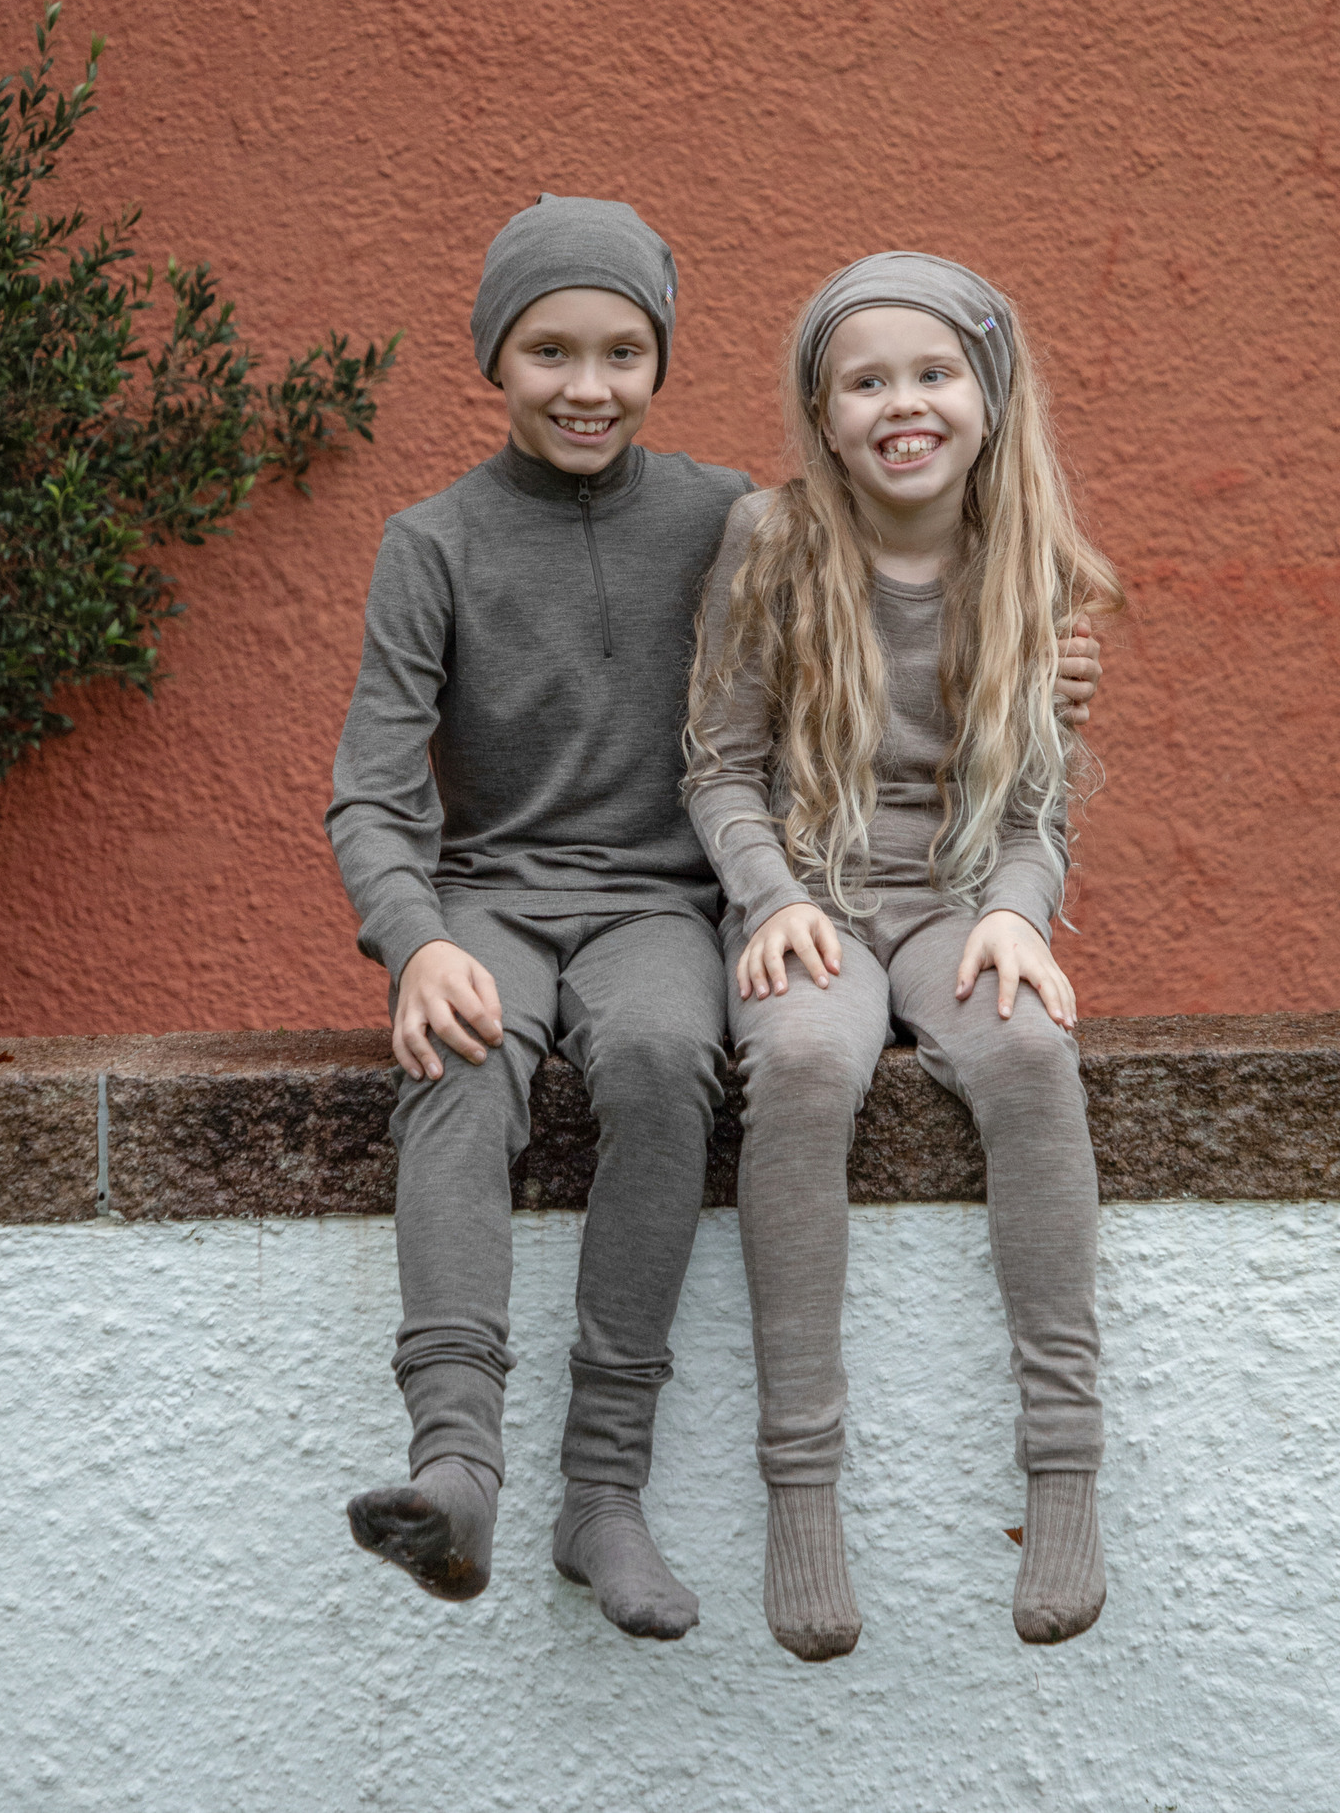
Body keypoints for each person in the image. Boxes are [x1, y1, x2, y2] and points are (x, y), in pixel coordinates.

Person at [326, 203, 1104, 1645]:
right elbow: (374, 793)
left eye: (623, 352)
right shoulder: (431, 544)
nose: (588, 385)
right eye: (550, 350)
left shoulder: (722, 515)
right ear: (494, 355)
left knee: (665, 1060)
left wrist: (1042, 670)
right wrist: (414, 937)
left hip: (664, 904)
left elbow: (898, 595)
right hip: (495, 899)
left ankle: (602, 1491)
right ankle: (457, 1465)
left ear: (662, 360)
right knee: (459, 1057)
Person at [684, 251, 1123, 1663]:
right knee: (807, 1064)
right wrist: (767, 899)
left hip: (956, 900)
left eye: (933, 374)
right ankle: (801, 1491)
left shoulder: (1025, 559)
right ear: (823, 413)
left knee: (1030, 1053)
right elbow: (719, 765)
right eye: (865, 381)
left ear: (987, 396)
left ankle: (1064, 1470)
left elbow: (1038, 800)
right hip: (811, 897)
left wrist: (1020, 909)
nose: (903, 404)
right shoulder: (771, 540)